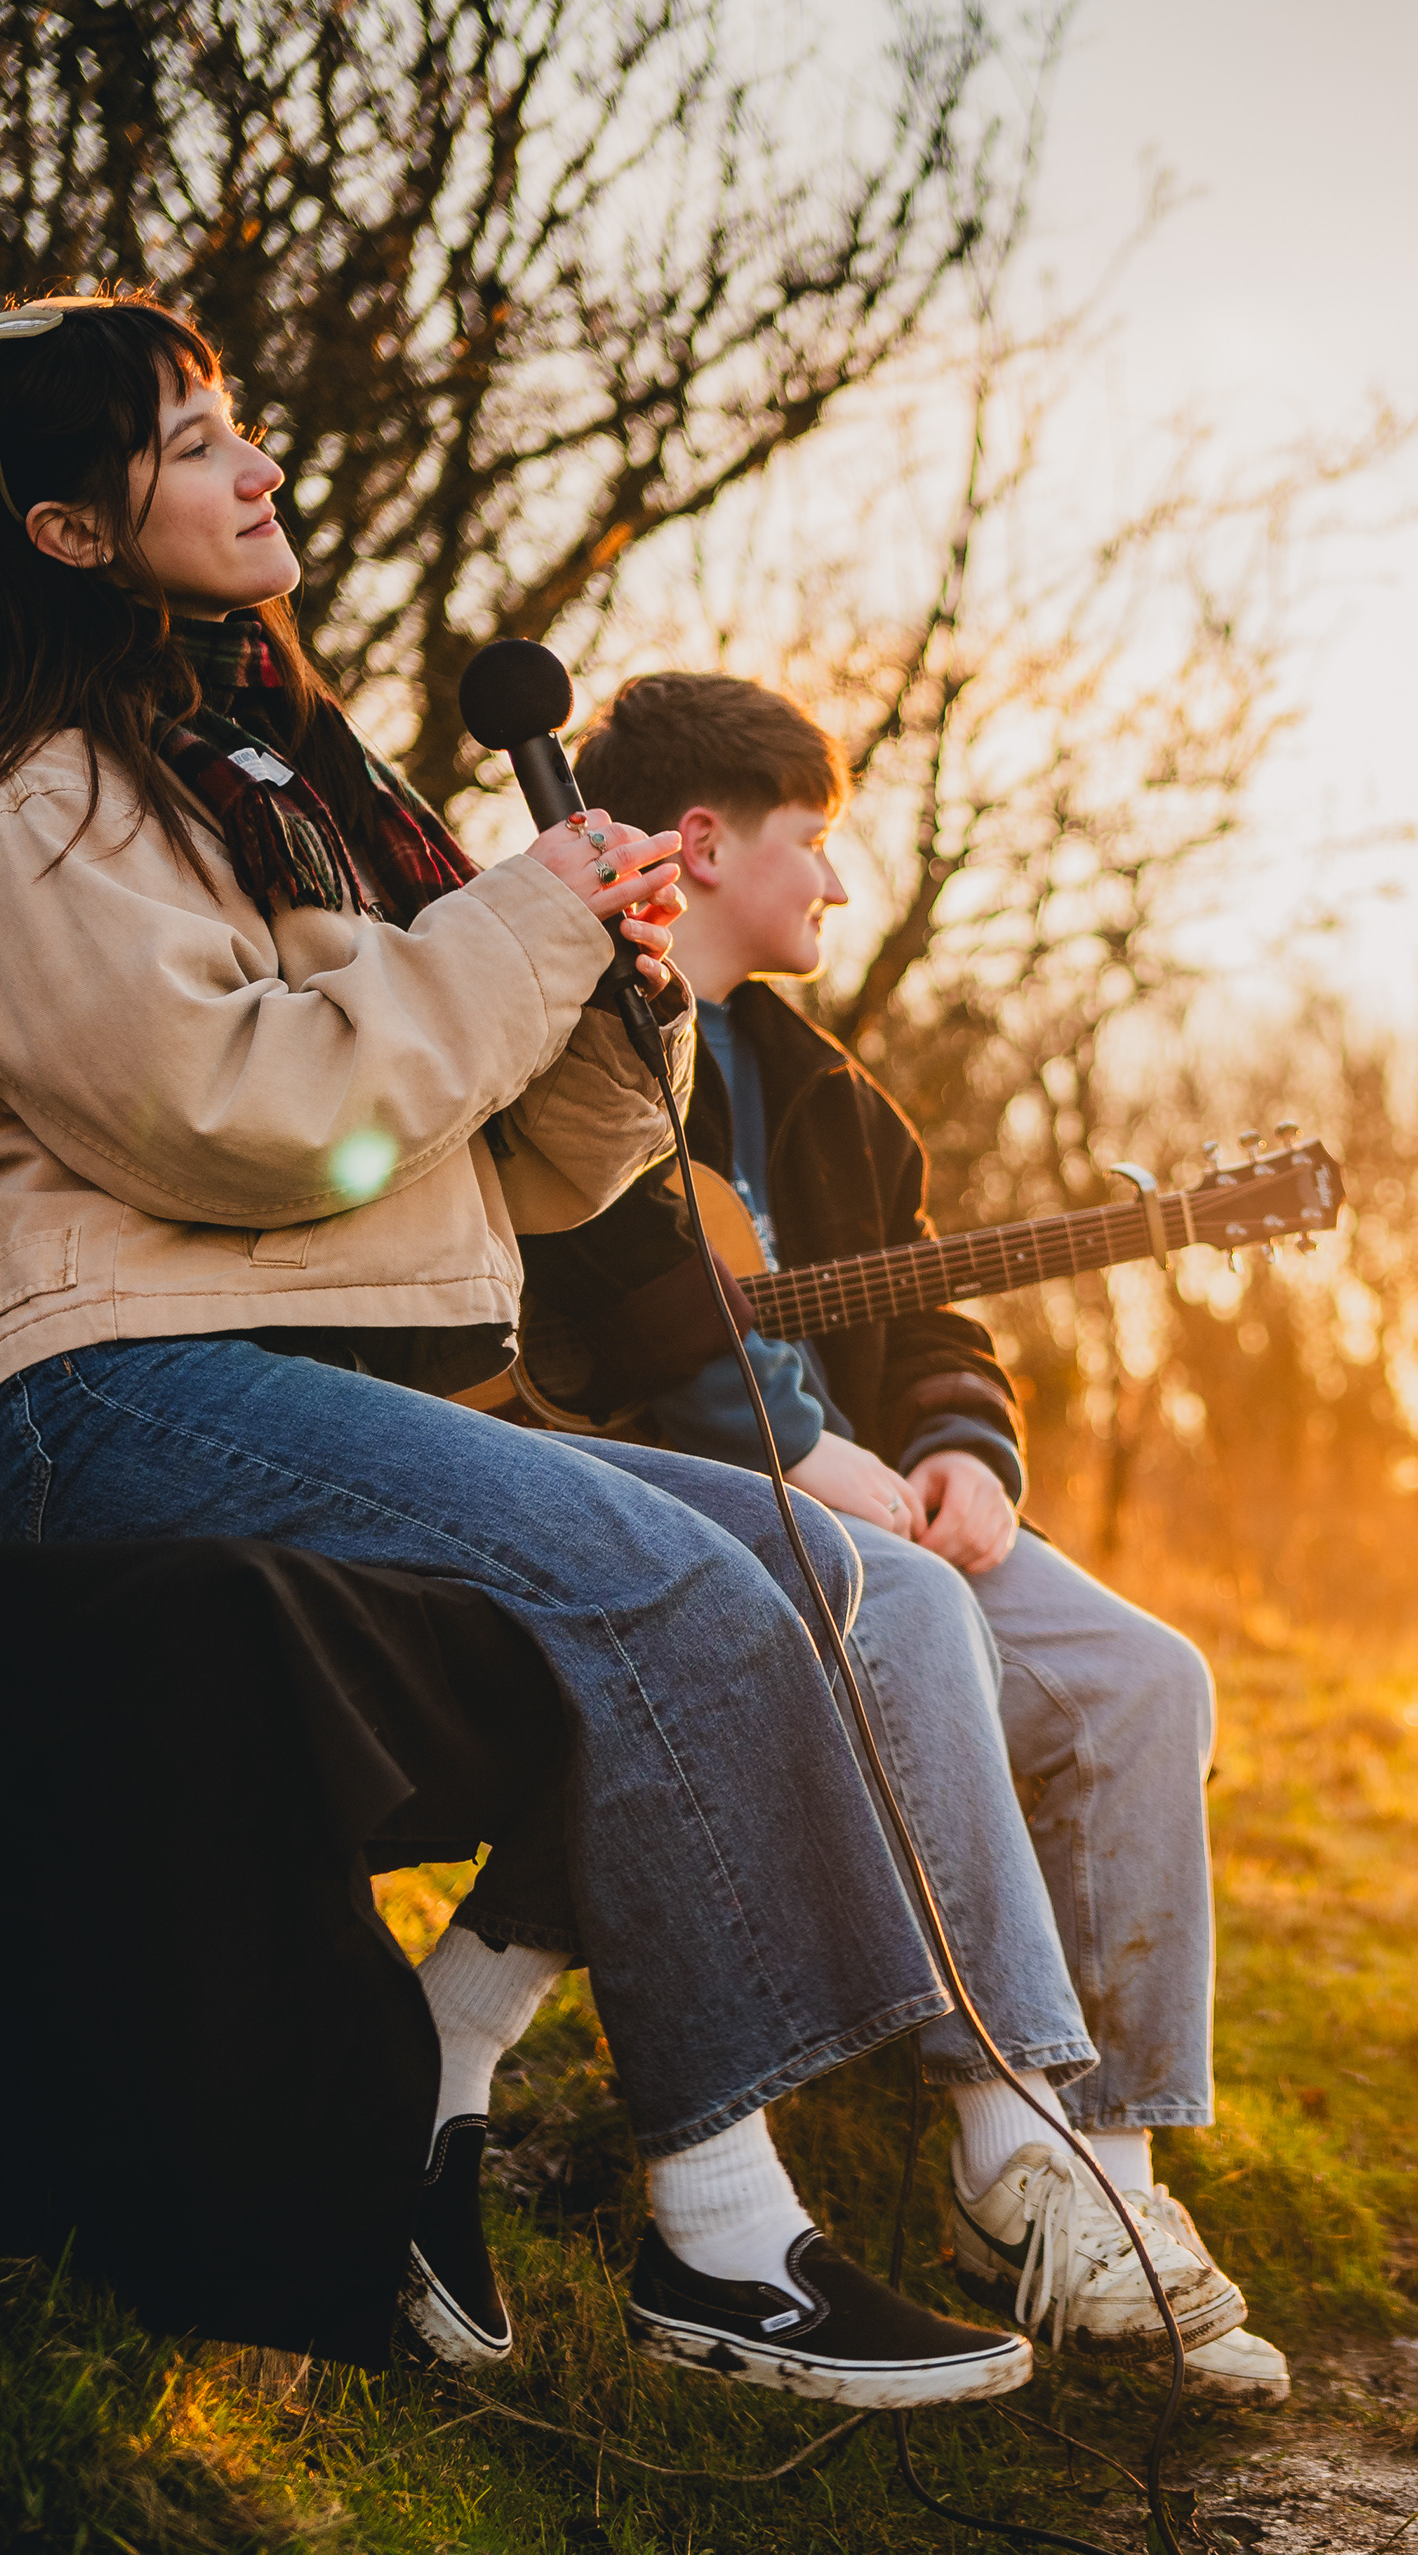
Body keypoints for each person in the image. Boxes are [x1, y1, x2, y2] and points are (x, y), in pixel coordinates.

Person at [0, 292, 1031, 2407]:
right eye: (191, 440)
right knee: (678, 1592)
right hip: (135, 1390)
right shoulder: (19, 819)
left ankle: (438, 2064)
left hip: (357, 1384)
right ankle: (722, 2238)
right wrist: (519, 927)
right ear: (63, 530)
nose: (258, 464)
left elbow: (528, 1170)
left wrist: (611, 998)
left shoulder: (302, 786)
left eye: (242, 420)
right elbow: (255, 1118)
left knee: (826, 1577)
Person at [512, 672, 1291, 2405]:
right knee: (916, 1628)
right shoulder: (563, 1026)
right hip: (674, 1506)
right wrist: (801, 1449)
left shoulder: (841, 1102)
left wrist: (959, 1449)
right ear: (704, 844)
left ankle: (1103, 2190)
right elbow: (610, 1285)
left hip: (887, 1506)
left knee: (1147, 1678)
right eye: (816, 845)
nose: (840, 884)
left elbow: (935, 1312)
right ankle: (1011, 2150)